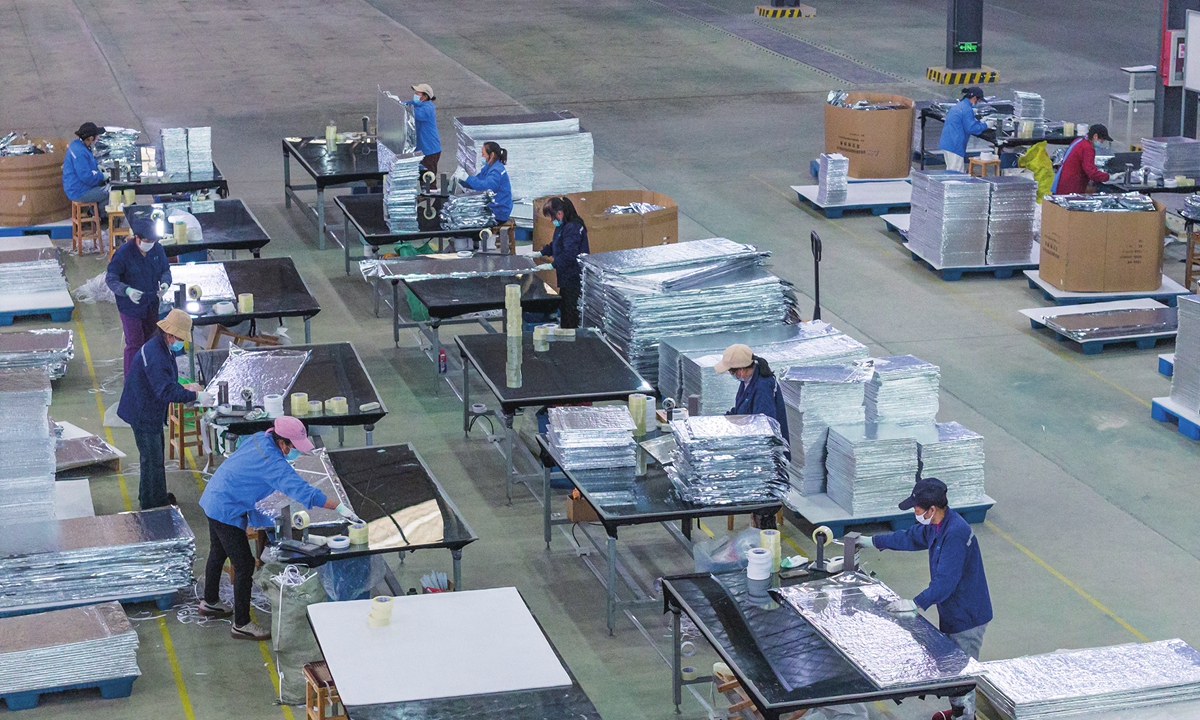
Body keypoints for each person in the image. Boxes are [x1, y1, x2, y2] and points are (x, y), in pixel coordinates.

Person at [197, 416, 362, 641]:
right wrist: (338, 506)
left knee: (218, 551)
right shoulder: (274, 464)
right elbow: (303, 492)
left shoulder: (260, 438)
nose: (295, 452)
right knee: (244, 565)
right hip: (226, 508)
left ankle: (210, 602)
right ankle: (241, 624)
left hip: (215, 495)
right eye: (293, 447)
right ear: (282, 442)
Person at [857, 478, 992, 720]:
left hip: (968, 614)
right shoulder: (937, 525)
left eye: (917, 508)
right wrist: (873, 541)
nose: (914, 512)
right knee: (952, 665)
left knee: (962, 672)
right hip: (952, 609)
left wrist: (916, 603)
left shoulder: (955, 533)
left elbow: (945, 582)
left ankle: (965, 716)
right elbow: (909, 537)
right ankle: (959, 709)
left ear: (932, 509)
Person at [117, 309, 210, 510]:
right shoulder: (156, 355)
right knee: (152, 460)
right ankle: (152, 505)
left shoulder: (161, 347)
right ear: (170, 335)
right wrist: (196, 396)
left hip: (148, 408)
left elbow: (166, 383)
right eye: (180, 339)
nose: (182, 343)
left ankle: (154, 496)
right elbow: (165, 391)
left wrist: (185, 387)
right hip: (142, 412)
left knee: (153, 457)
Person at [107, 215, 172, 377]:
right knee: (135, 343)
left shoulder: (157, 249)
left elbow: (165, 270)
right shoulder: (123, 254)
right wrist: (127, 291)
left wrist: (165, 283)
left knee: (151, 341)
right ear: (137, 238)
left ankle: (148, 375)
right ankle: (131, 380)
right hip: (130, 307)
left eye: (153, 242)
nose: (150, 245)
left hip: (151, 302)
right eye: (147, 241)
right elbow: (111, 279)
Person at [713, 344, 790, 447]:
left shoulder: (763, 387)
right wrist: (721, 421)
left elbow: (765, 424)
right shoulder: (746, 381)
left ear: (741, 369)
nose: (731, 374)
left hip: (766, 451)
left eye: (731, 371)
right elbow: (741, 409)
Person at [539, 197, 590, 329]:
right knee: (564, 307)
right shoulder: (563, 225)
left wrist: (553, 265)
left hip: (574, 277)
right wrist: (542, 252)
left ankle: (572, 341)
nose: (552, 221)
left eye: (551, 217)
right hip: (565, 277)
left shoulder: (572, 227)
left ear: (559, 213)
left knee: (570, 311)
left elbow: (570, 254)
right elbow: (557, 244)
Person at [938, 87, 989, 173]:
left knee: (950, 170)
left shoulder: (959, 106)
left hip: (947, 143)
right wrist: (985, 125)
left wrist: (979, 122)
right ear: (974, 98)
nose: (979, 103)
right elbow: (971, 128)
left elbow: (966, 123)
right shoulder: (967, 109)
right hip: (955, 145)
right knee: (956, 175)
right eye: (979, 100)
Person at [460, 141, 513, 223]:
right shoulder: (489, 167)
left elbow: (487, 186)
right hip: (494, 208)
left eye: (483, 154)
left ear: (492, 155)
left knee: (464, 220)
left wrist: (467, 178)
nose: (482, 156)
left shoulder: (496, 170)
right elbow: (478, 180)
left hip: (498, 212)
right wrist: (461, 180)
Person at [1051, 124, 1112, 195]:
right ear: (1095, 136)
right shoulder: (1087, 148)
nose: (1102, 142)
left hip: (1063, 182)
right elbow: (1091, 173)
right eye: (1102, 140)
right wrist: (1109, 177)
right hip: (1071, 187)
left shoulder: (1079, 140)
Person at [62, 122, 109, 208]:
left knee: (104, 186)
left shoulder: (76, 144)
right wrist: (102, 176)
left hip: (75, 186)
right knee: (110, 192)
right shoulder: (80, 152)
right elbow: (86, 177)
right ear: (91, 138)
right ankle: (102, 218)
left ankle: (96, 213)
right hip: (79, 191)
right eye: (97, 136)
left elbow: (87, 164)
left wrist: (96, 166)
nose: (98, 138)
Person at [405, 83, 441, 176]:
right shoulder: (418, 104)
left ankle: (432, 190)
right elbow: (406, 104)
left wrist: (405, 108)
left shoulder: (428, 107)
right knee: (421, 177)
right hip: (422, 149)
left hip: (429, 150)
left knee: (428, 178)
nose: (415, 96)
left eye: (418, 94)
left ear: (425, 97)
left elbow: (418, 114)